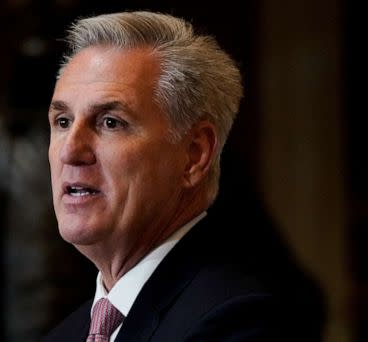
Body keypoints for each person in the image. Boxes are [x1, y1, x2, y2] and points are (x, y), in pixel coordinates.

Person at [42, 11, 324, 341]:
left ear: (194, 155)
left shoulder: (240, 322)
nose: (69, 151)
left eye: (110, 123)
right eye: (62, 122)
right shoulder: (65, 335)